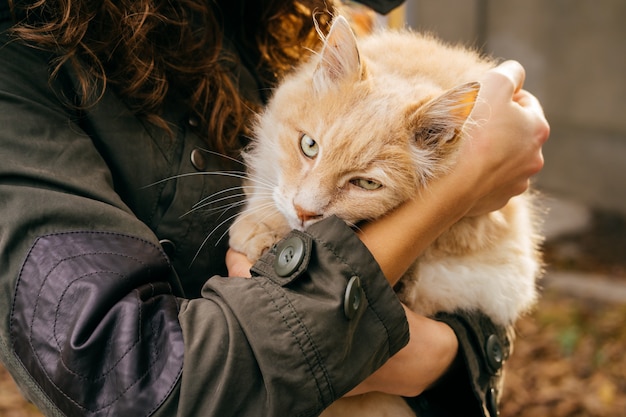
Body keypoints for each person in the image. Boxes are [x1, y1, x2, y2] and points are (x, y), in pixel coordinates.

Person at [0, 0, 549, 416]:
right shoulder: (18, 72)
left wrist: (447, 358)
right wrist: (455, 191)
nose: (306, 206)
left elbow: (492, 309)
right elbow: (127, 381)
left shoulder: (270, 18)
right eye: (308, 149)